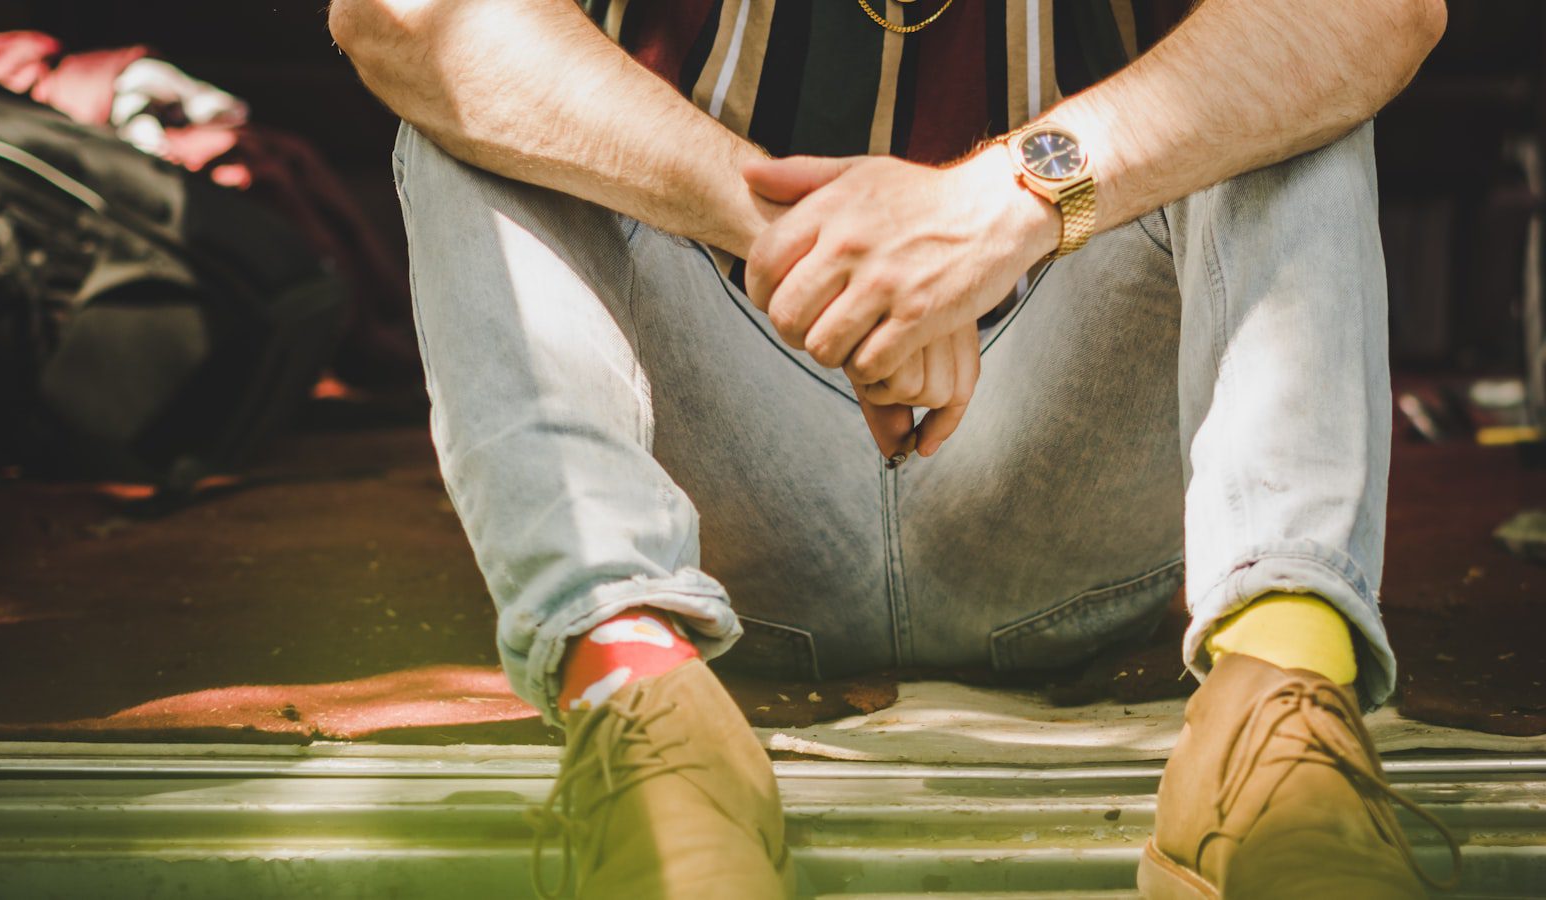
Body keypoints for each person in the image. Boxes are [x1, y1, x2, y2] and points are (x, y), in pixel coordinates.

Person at [329, 0, 1459, 895]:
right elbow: (396, 14)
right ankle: (646, 716)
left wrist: (1000, 208)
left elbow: (1379, 13)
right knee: (470, 87)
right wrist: (817, 250)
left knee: (1291, 69)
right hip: (721, 516)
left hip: (1070, 489)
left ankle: (1274, 723)